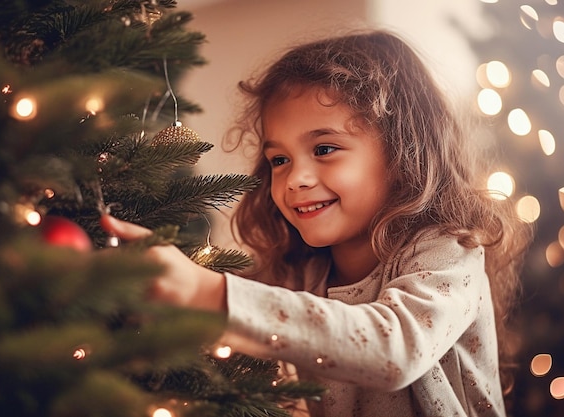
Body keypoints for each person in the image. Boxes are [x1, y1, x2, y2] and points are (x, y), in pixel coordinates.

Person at [101, 28, 533, 417]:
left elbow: (394, 350)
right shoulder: (296, 271)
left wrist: (209, 292)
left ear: (405, 156)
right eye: (279, 160)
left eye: (325, 149)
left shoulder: (447, 252)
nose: (295, 179)